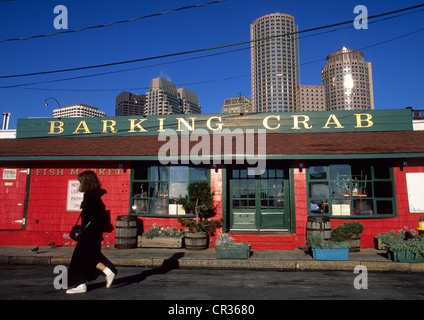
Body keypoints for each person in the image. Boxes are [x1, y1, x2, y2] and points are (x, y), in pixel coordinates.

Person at [66, 170, 117, 294]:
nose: (79, 183)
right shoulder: (94, 195)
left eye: (80, 181)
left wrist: (85, 230)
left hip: (89, 233)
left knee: (80, 258)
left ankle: (103, 274)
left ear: (85, 182)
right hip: (93, 233)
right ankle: (87, 281)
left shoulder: (90, 196)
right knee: (88, 257)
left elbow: (92, 217)